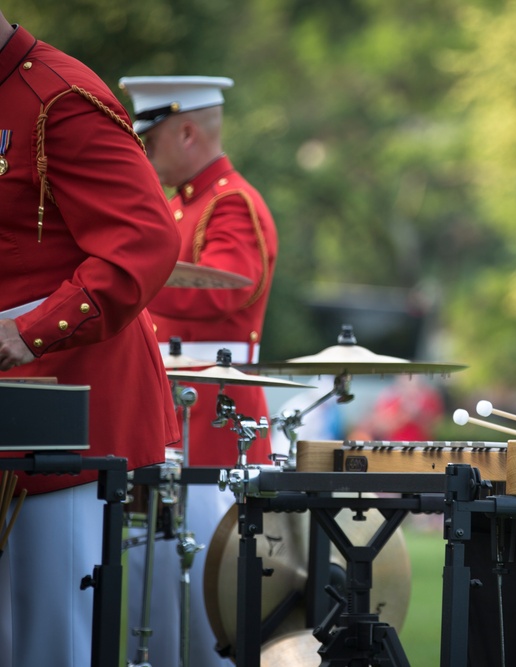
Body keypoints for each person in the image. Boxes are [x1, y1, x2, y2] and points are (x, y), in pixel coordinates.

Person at [0, 10, 181, 666]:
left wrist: (30, 331)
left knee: (46, 644)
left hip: (63, 423)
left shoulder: (60, 98)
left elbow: (147, 238)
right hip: (13, 418)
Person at [118, 75, 279, 666]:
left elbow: (227, 291)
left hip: (213, 416)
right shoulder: (180, 202)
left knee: (208, 582)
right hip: (176, 409)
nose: (144, 152)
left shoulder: (230, 201)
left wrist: (134, 281)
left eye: (151, 138)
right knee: (156, 576)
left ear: (186, 131)